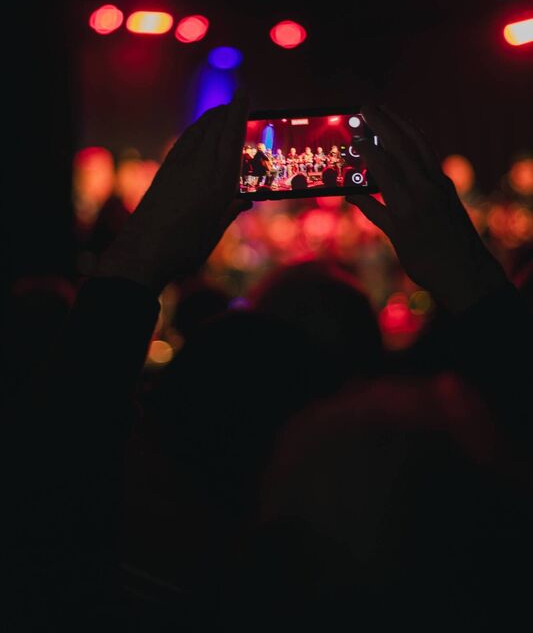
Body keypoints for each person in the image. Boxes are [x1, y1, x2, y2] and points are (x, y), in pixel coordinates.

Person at [6, 96, 532, 628]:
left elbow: (51, 479)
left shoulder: (84, 585)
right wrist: (470, 280)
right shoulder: (446, 580)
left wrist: (137, 260)